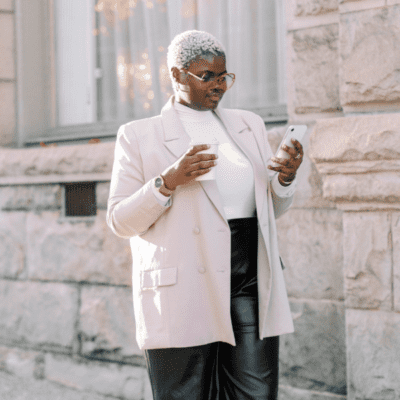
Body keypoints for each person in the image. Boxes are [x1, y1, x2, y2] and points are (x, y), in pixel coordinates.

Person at [107, 30, 303, 400]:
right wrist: (166, 182)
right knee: (186, 393)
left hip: (249, 275)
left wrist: (285, 179)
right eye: (207, 76)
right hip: (183, 279)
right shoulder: (137, 136)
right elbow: (120, 221)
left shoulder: (249, 125)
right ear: (177, 75)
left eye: (224, 76)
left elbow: (266, 211)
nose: (219, 86)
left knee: (257, 391)